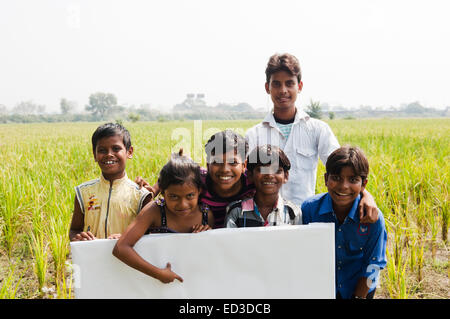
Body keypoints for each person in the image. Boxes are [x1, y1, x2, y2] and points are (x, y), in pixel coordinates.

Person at [245, 53, 379, 223]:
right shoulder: (254, 135)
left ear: (299, 86)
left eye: (290, 83)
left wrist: (366, 195)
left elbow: (345, 168)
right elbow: (245, 180)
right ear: (267, 87)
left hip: (306, 218)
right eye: (276, 84)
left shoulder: (317, 129)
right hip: (264, 221)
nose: (283, 90)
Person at [112, 149, 214, 284]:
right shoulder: (154, 211)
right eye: (173, 196)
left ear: (199, 191)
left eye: (190, 196)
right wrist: (158, 274)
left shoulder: (206, 215)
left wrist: (206, 234)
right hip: (151, 286)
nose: (182, 204)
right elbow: (121, 248)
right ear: (162, 192)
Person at [301, 146, 387, 299]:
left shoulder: (373, 218)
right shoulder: (309, 210)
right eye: (336, 178)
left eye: (353, 180)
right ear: (326, 179)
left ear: (363, 184)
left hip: (360, 288)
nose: (344, 186)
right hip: (321, 289)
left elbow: (373, 265)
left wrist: (358, 297)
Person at [136, 130, 256, 228]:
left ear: (244, 166)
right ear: (208, 165)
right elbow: (166, 181)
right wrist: (146, 192)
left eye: (233, 162)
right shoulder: (196, 178)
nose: (225, 169)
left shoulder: (252, 182)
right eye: (216, 162)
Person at [69, 123, 152, 241]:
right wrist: (79, 237)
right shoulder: (83, 192)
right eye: (102, 150)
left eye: (116, 149)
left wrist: (125, 238)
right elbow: (74, 230)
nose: (109, 154)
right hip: (93, 257)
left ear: (129, 152)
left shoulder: (140, 195)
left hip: (126, 258)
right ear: (94, 155)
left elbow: (150, 235)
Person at [225, 145, 301, 227]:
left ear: (285, 176)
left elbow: (298, 239)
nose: (269, 175)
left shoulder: (293, 212)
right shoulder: (236, 211)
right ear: (250, 175)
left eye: (276, 170)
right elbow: (229, 239)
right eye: (262, 170)